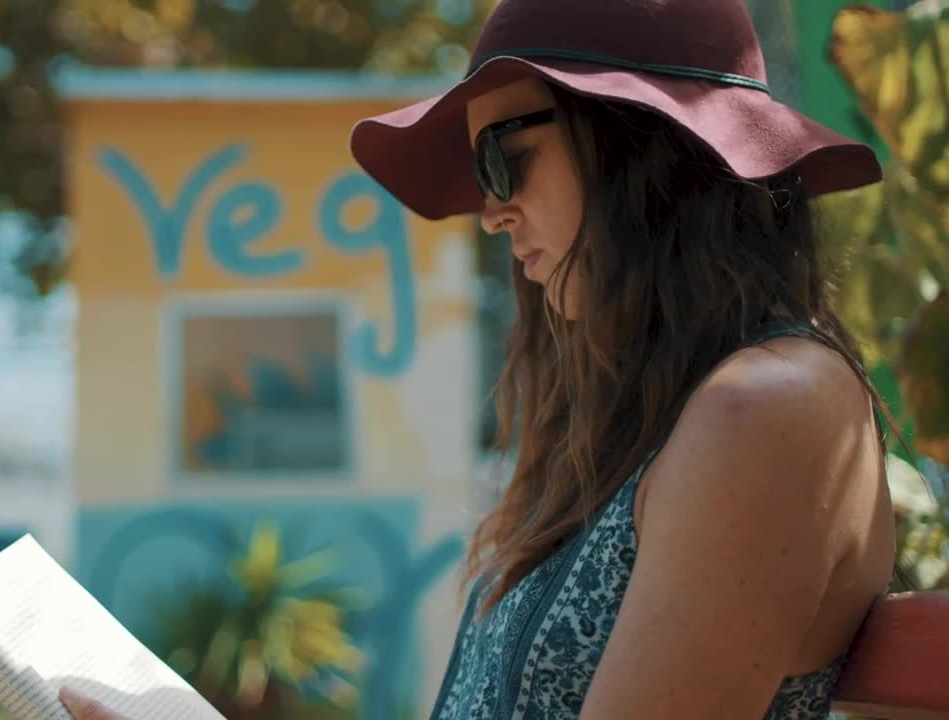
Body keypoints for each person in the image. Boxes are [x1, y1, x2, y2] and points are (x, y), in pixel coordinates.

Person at [59, 0, 898, 717]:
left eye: (504, 160)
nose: (492, 213)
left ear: (643, 142)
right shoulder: (657, 421)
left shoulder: (765, 406)